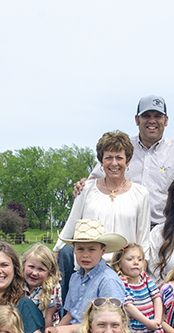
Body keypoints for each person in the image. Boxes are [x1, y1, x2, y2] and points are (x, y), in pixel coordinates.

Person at [78, 95, 174, 226]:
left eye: (157, 116)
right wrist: (83, 184)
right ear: (137, 120)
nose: (152, 121)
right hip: (123, 226)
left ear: (166, 120)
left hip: (164, 230)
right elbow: (94, 182)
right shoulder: (121, 148)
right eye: (146, 116)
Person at [56, 130, 151, 303]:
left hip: (123, 273)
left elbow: (143, 240)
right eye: (108, 157)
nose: (114, 163)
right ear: (101, 161)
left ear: (128, 161)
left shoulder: (141, 194)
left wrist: (139, 278)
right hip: (88, 270)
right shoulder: (87, 190)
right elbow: (71, 227)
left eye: (119, 157)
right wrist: (55, 254)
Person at [21, 244, 62, 331]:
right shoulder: (19, 283)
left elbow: (48, 318)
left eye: (41, 269)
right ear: (24, 265)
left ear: (49, 272)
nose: (35, 273)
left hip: (42, 328)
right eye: (31, 267)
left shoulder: (52, 287)